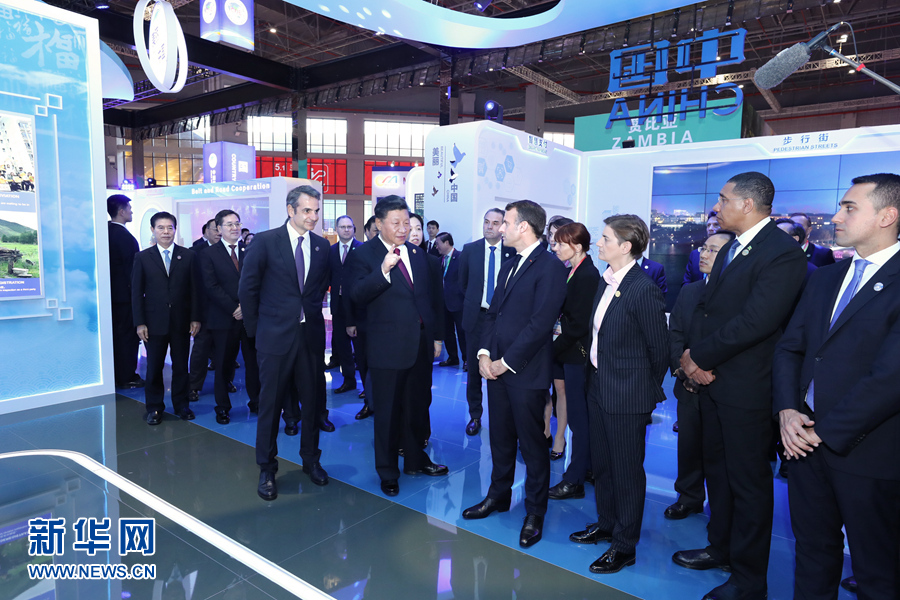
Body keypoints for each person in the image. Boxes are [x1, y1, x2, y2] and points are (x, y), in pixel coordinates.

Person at [673, 172, 807, 600]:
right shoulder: (732, 247)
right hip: (712, 382)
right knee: (718, 473)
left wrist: (699, 357)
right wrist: (694, 361)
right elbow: (709, 312)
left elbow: (757, 321)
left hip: (748, 389)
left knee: (749, 485)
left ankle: (749, 581)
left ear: (748, 204)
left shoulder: (782, 253)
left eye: (723, 199)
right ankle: (720, 548)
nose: (716, 207)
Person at [774, 173, 900, 600]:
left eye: (849, 208)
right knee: (812, 554)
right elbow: (790, 349)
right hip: (803, 444)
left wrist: (822, 432)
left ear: (887, 216)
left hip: (869, 452)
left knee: (877, 571)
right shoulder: (826, 277)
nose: (836, 217)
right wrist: (788, 412)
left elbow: (890, 377)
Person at [463, 200, 567, 549]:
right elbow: (493, 314)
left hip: (525, 371)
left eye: (506, 222)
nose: (500, 228)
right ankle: (498, 495)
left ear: (524, 227)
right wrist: (483, 353)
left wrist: (504, 362)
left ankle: (535, 512)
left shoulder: (550, 267)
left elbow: (540, 324)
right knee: (500, 438)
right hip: (497, 368)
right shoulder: (509, 264)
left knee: (532, 445)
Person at [567, 215, 668, 574]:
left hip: (627, 395)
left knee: (626, 472)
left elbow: (660, 350)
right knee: (603, 465)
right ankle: (607, 524)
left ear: (625, 247)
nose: (599, 243)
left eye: (606, 238)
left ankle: (625, 546)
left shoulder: (643, 288)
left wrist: (639, 389)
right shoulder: (606, 280)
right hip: (598, 386)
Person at [345, 196, 448, 497]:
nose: (404, 229)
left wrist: (436, 337)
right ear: (379, 223)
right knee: (388, 413)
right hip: (387, 349)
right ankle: (388, 470)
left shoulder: (418, 254)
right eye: (396, 223)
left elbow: (431, 300)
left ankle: (415, 460)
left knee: (417, 407)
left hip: (420, 346)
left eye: (407, 223)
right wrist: (383, 271)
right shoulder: (363, 255)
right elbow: (356, 294)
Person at [238, 185, 332, 500]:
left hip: (310, 339)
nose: (313, 217)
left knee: (313, 403)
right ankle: (267, 468)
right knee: (271, 405)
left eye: (316, 211)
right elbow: (248, 289)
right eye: (307, 210)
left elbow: (318, 289)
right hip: (274, 338)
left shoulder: (322, 246)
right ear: (291, 210)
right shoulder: (266, 242)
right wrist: (257, 332)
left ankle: (311, 460)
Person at [664, 230, 735, 520]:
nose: (704, 254)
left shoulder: (740, 294)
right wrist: (684, 371)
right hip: (688, 384)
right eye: (704, 248)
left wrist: (707, 370)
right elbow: (675, 334)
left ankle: (721, 510)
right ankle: (689, 496)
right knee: (688, 445)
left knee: (720, 451)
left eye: (713, 250)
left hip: (722, 384)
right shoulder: (690, 291)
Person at [546, 222, 600, 501]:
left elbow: (578, 325)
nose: (555, 248)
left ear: (577, 247)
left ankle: (574, 480)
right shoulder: (574, 270)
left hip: (577, 354)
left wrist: (551, 349)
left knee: (579, 419)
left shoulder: (587, 274)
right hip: (571, 352)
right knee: (580, 416)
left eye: (560, 243)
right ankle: (586, 468)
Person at [132, 211, 201, 425]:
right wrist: (140, 322)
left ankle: (181, 405)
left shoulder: (188, 256)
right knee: (154, 367)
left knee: (181, 366)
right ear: (152, 230)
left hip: (182, 322)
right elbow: (136, 292)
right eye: (161, 227)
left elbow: (195, 290)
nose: (166, 232)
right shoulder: (143, 257)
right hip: (153, 323)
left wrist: (195, 318)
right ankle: (154, 408)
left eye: (170, 227)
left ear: (175, 229)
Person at [199, 209, 260, 422]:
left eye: (237, 224)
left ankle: (256, 401)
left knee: (253, 363)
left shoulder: (250, 250)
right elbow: (210, 286)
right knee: (224, 364)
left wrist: (246, 306)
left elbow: (258, 281)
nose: (235, 228)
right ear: (219, 228)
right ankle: (223, 407)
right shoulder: (208, 254)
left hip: (250, 318)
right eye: (229, 224)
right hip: (224, 318)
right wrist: (234, 308)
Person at [458, 208, 514, 436]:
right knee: (474, 370)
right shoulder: (470, 250)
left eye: (495, 223)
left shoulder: (512, 251)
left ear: (503, 226)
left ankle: (504, 419)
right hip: (477, 318)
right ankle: (475, 415)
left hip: (504, 319)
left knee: (502, 367)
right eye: (486, 222)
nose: (489, 226)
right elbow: (463, 284)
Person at [107, 194, 143, 390]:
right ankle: (127, 376)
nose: (131, 211)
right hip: (125, 297)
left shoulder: (105, 232)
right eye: (129, 208)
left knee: (115, 336)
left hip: (110, 296)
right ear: (121, 212)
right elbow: (133, 271)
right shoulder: (125, 237)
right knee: (127, 337)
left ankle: (116, 374)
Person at [545, 216, 573, 459]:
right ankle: (544, 430)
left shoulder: (574, 266)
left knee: (561, 388)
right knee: (541, 386)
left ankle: (560, 437)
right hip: (541, 333)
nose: (554, 240)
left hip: (564, 337)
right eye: (551, 235)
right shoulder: (543, 261)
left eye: (559, 235)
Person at [328, 215, 363, 394]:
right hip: (338, 305)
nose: (346, 230)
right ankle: (349, 380)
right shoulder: (331, 250)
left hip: (357, 305)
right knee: (342, 346)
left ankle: (368, 387)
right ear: (337, 229)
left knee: (361, 347)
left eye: (349, 227)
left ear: (354, 229)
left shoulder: (362, 249)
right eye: (343, 227)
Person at [435, 232, 466, 368]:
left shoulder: (461, 257)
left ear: (446, 243)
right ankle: (452, 357)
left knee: (462, 332)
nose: (436, 247)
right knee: (447, 332)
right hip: (444, 303)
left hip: (458, 303)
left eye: (438, 244)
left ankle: (466, 359)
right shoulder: (439, 260)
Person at [683, 211, 722, 285]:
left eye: (716, 225)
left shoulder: (730, 254)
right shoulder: (695, 255)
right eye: (708, 225)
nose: (710, 229)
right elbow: (686, 283)